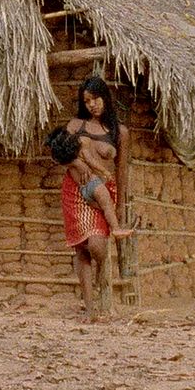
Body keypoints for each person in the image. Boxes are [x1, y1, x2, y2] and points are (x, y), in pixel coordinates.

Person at [59, 75, 128, 321]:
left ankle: (100, 282)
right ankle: (89, 308)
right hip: (76, 190)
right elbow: (59, 153)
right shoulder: (75, 125)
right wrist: (78, 161)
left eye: (96, 98)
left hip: (104, 191)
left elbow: (121, 171)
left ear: (105, 98)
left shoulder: (120, 132)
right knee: (83, 249)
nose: (92, 105)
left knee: (98, 245)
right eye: (87, 101)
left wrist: (120, 204)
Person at [46, 126, 133, 239]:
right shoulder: (82, 151)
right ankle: (116, 229)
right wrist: (104, 171)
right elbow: (92, 162)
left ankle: (108, 224)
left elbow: (57, 160)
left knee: (103, 208)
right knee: (108, 205)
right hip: (95, 185)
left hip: (84, 192)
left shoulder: (67, 161)